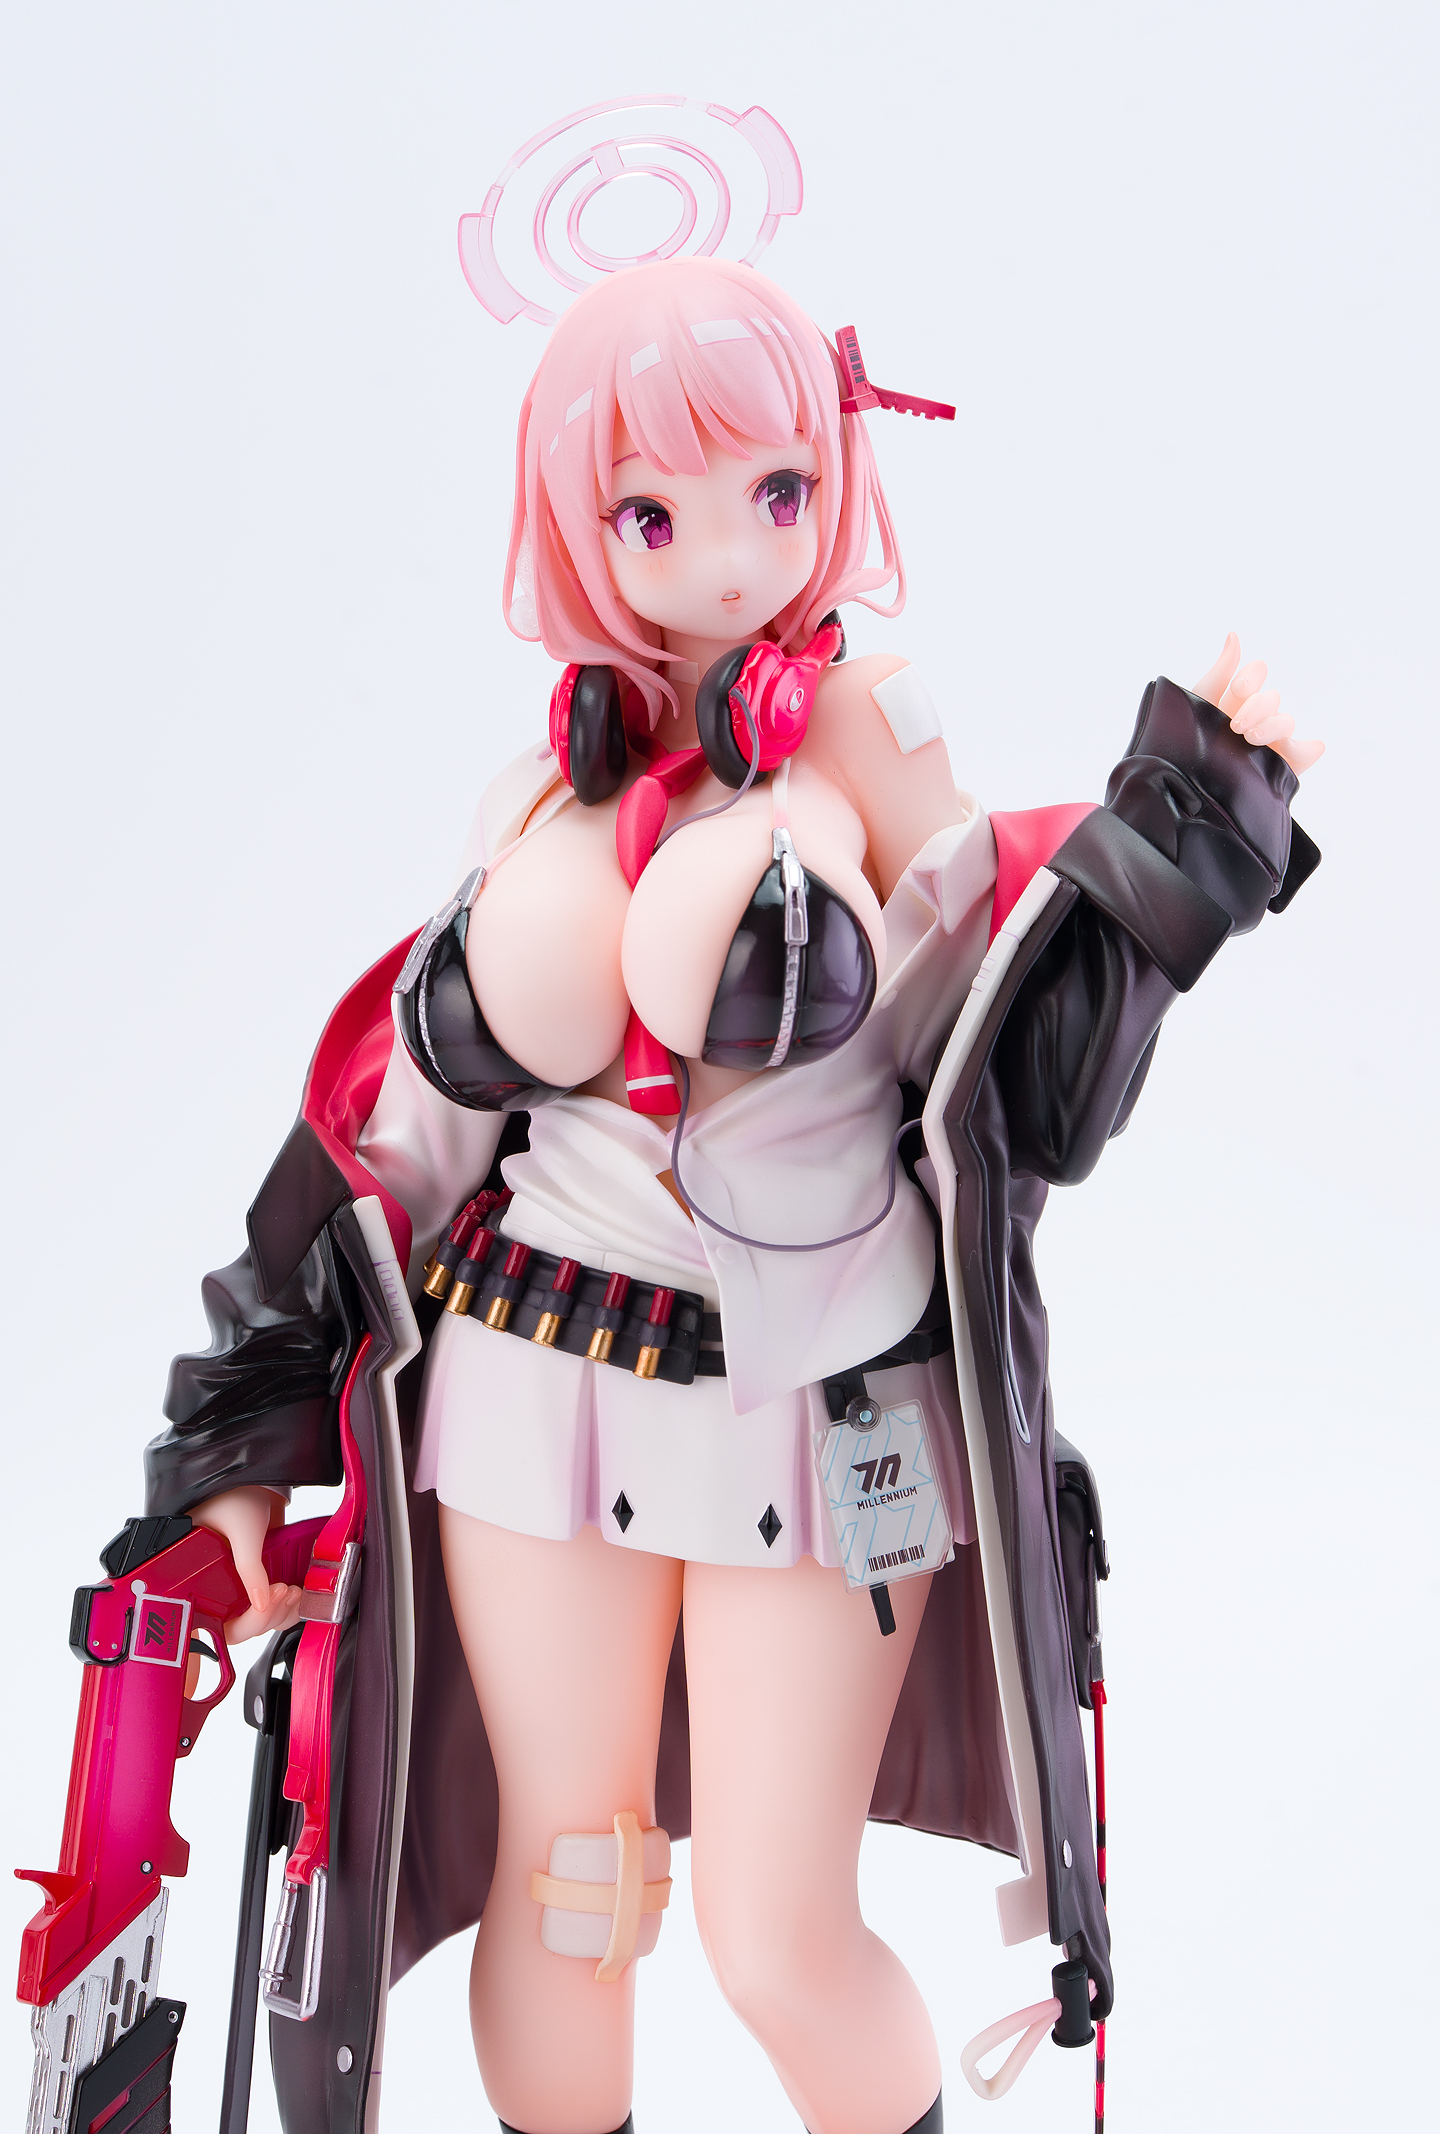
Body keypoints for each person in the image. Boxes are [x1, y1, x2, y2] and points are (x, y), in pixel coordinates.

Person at [148, 255, 1320, 2134]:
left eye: (777, 490)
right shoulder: (538, 795)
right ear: (579, 522)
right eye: (652, 511)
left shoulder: (869, 727)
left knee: (778, 1932)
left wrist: (1187, 841)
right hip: (534, 1380)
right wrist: (238, 1446)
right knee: (573, 1886)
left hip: (823, 1403)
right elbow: (393, 1143)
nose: (723, 552)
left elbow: (1016, 1090)